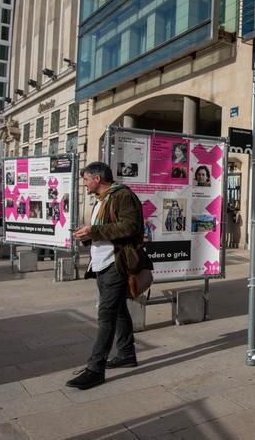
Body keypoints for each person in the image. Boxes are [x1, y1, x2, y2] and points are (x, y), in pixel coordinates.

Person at [67, 162, 152, 390]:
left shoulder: (122, 196)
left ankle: (95, 369)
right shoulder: (101, 200)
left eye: (86, 179)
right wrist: (86, 235)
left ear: (97, 178)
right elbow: (104, 230)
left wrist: (93, 231)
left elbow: (131, 227)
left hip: (117, 263)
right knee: (118, 309)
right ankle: (126, 353)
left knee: (106, 314)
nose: (84, 183)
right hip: (102, 263)